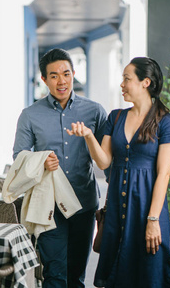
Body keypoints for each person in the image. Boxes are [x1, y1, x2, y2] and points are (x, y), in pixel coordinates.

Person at [67, 57, 170, 287]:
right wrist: (89, 136)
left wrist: (153, 219)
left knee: (149, 274)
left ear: (145, 82)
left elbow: (164, 174)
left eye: (127, 79)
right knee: (118, 276)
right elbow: (104, 162)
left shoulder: (166, 122)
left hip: (147, 210)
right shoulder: (116, 117)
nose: (122, 84)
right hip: (117, 211)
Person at [13, 48, 108, 288]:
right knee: (54, 275)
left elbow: (106, 159)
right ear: (44, 80)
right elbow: (18, 157)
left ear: (74, 74)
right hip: (48, 207)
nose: (61, 80)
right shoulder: (30, 115)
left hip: (83, 204)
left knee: (76, 275)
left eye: (66, 73)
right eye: (54, 75)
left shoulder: (95, 111)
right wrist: (40, 162)